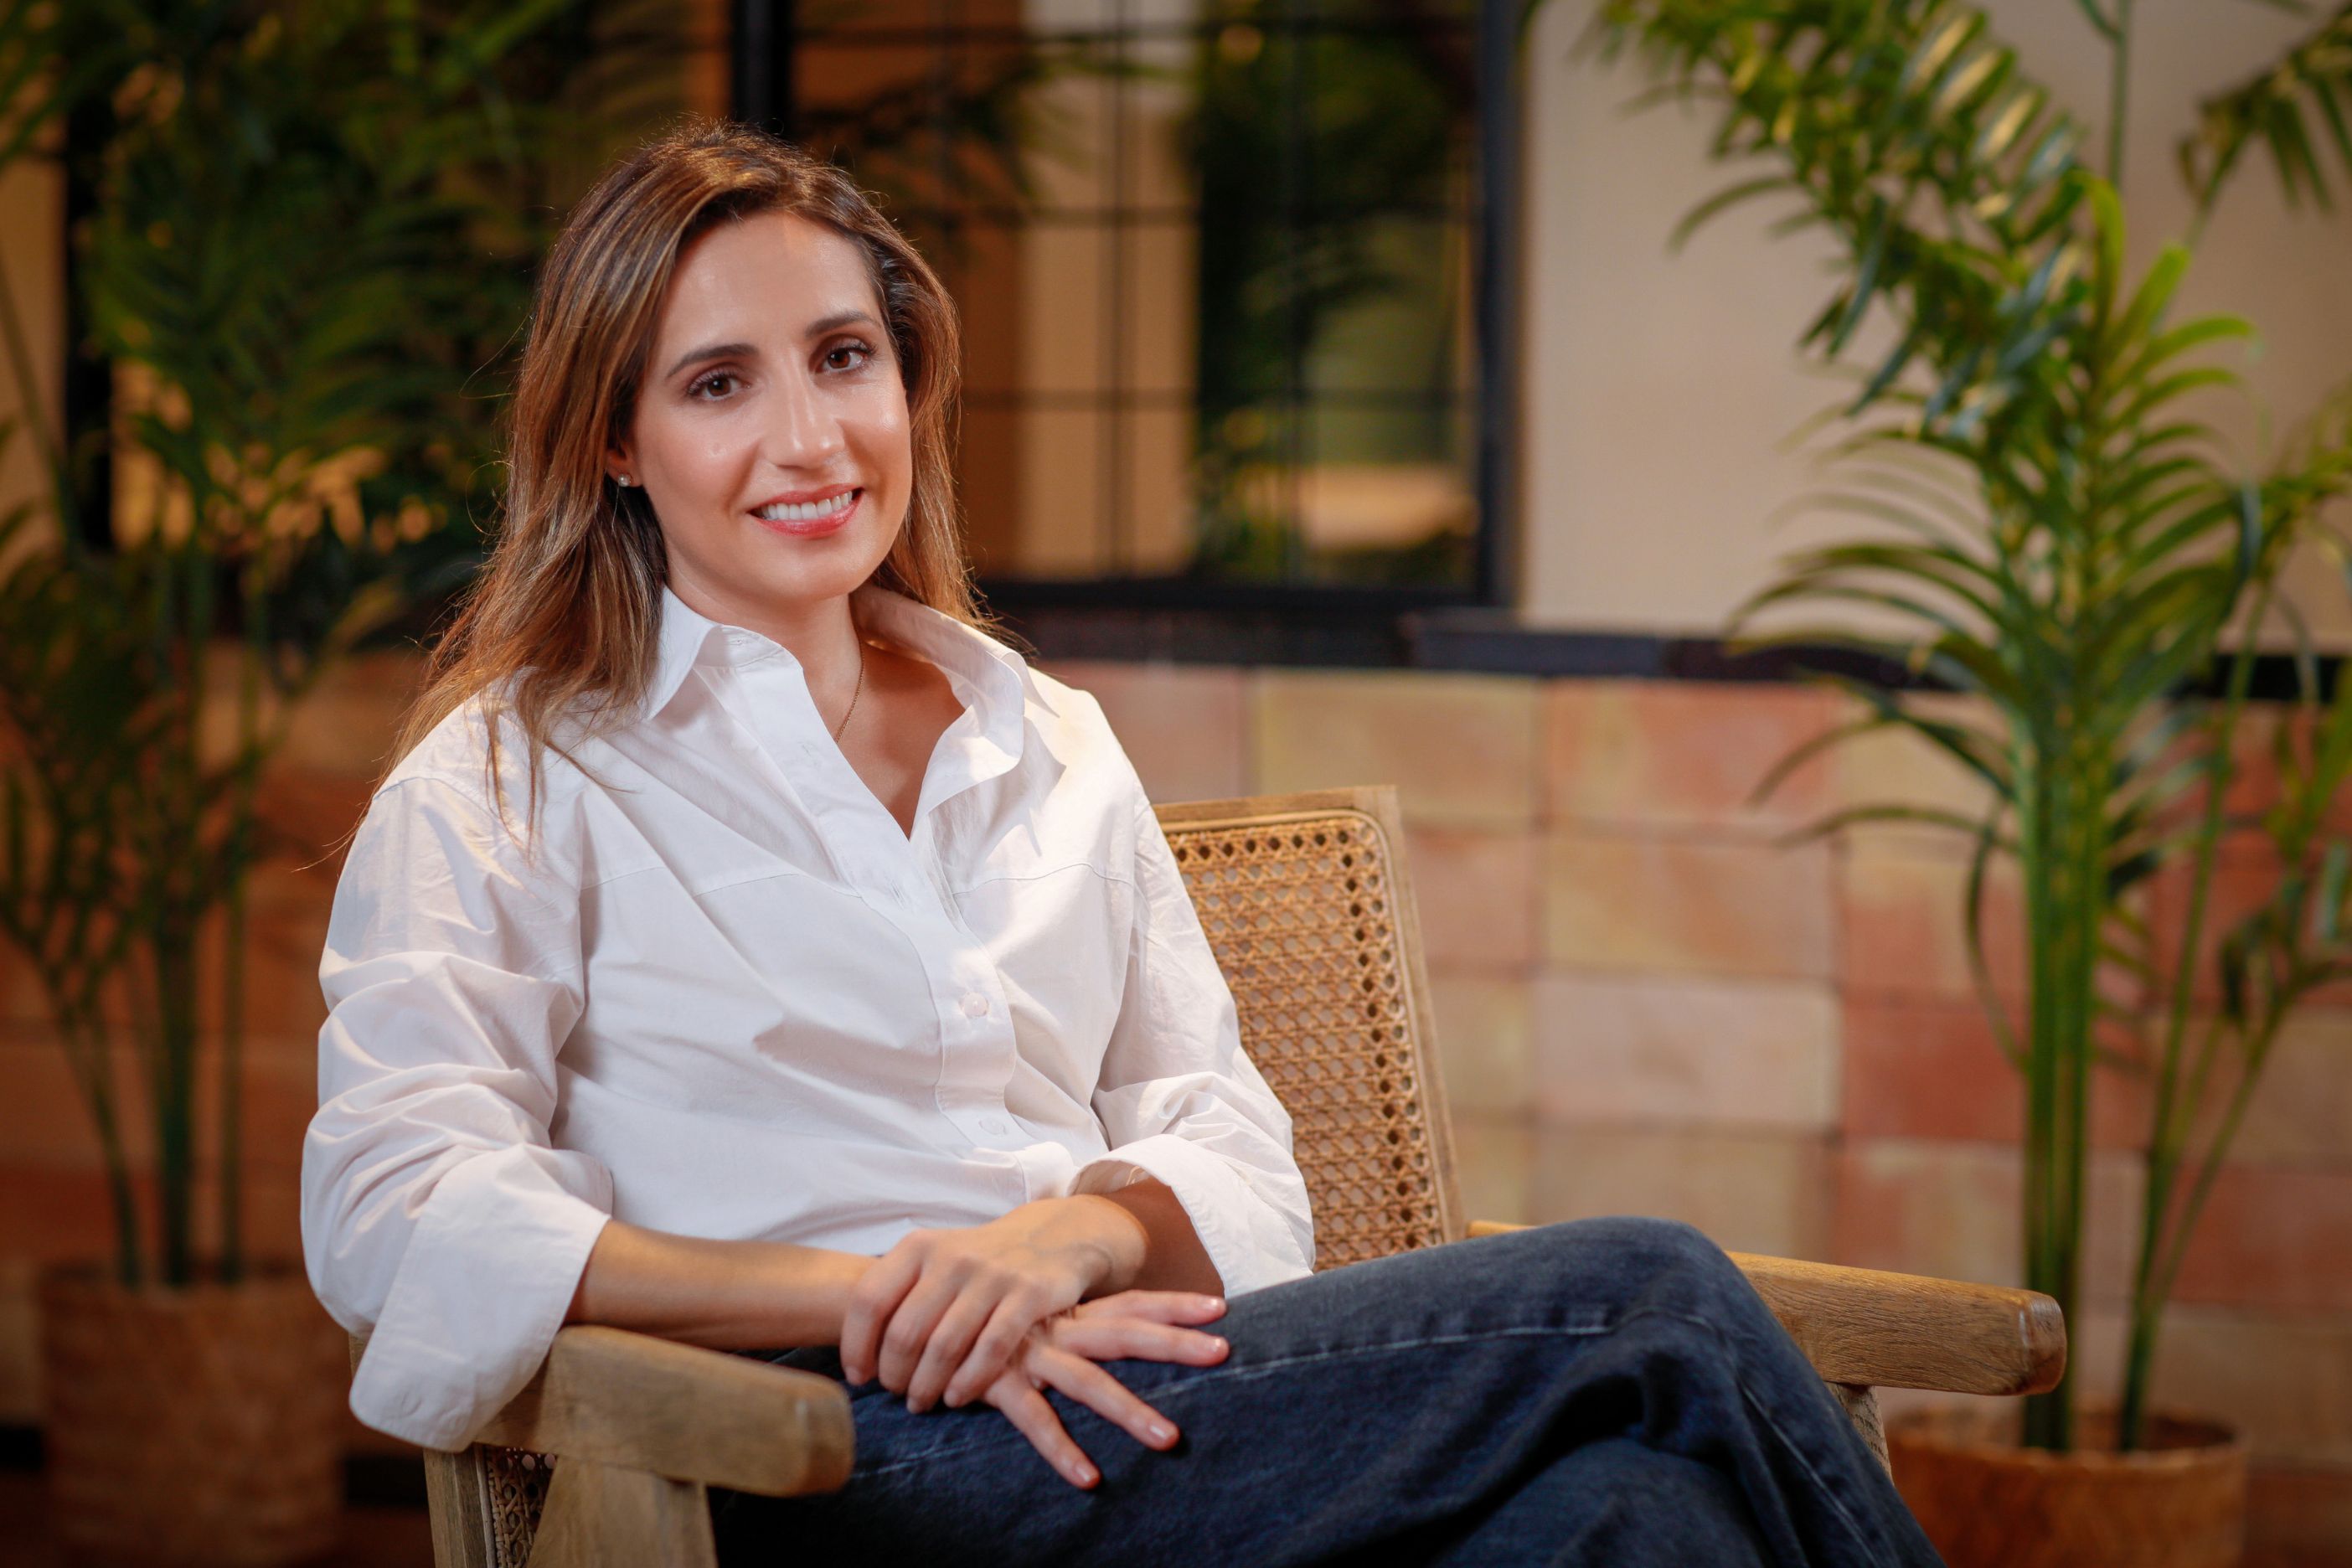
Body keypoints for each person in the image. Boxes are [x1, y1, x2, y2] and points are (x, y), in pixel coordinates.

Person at [298, 119, 1944, 1567]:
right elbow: (397, 1215)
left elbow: (1226, 1140)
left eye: (844, 357)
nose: (809, 442)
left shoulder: (1048, 741)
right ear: (613, 440)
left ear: (909, 378)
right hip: (790, 1461)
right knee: (1649, 1301)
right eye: (719, 384)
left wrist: (1065, 1241)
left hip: (1123, 1411)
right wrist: (879, 1299)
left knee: (1629, 1525)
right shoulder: (506, 780)